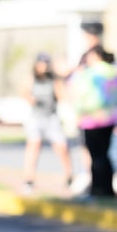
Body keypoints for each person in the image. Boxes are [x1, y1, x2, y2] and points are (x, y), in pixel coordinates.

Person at [69, 45, 117, 199]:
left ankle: (97, 189)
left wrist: (79, 111)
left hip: (92, 119)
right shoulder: (114, 71)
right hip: (110, 117)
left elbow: (83, 96)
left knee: (96, 156)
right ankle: (107, 189)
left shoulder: (89, 73)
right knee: (105, 154)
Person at [20, 53, 74, 195]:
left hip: (51, 117)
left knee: (61, 147)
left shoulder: (54, 80)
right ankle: (29, 178)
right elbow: (23, 92)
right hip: (36, 117)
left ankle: (69, 176)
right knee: (34, 145)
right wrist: (30, 99)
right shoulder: (31, 78)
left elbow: (62, 96)